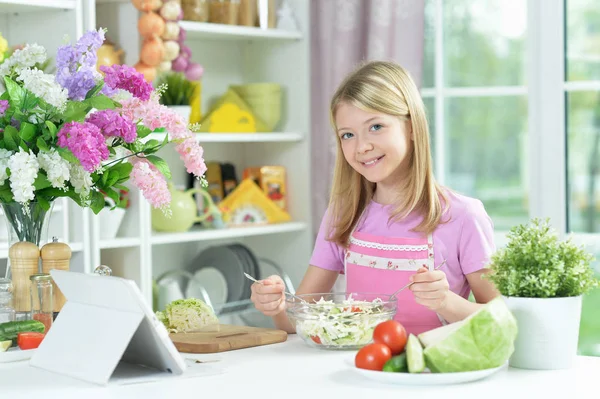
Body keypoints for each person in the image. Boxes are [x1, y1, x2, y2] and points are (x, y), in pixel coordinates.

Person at [250, 60, 500, 336]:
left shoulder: (463, 216)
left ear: (412, 128)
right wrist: (277, 304)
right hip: (358, 367)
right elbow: (298, 321)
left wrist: (447, 302)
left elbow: (502, 320)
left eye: (376, 127)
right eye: (348, 135)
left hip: (431, 370)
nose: (362, 147)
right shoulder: (344, 213)